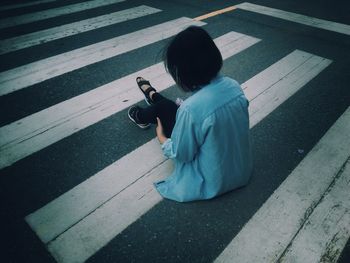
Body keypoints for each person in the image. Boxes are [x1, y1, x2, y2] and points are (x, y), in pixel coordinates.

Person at [128, 26, 252, 202]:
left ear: (184, 72)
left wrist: (162, 138)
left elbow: (182, 154)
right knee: (168, 107)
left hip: (211, 182)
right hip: (240, 172)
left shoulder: (191, 110)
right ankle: (152, 95)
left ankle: (140, 115)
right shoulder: (234, 87)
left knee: (165, 108)